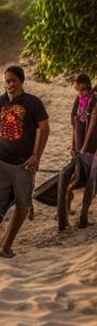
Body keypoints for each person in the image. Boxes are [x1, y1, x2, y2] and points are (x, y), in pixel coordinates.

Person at [0, 65, 49, 260]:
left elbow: (44, 129)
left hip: (24, 164)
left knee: (23, 203)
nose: (10, 84)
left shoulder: (33, 102)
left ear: (21, 82)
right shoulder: (2, 101)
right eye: (7, 81)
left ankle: (5, 246)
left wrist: (36, 156)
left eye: (14, 80)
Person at [68, 74, 95, 226]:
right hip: (83, 148)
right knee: (83, 179)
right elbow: (75, 124)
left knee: (87, 180)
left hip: (89, 148)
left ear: (80, 84)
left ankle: (80, 215)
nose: (74, 87)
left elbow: (89, 125)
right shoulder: (79, 100)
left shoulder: (92, 100)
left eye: (75, 84)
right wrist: (76, 146)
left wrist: (81, 147)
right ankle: (74, 213)